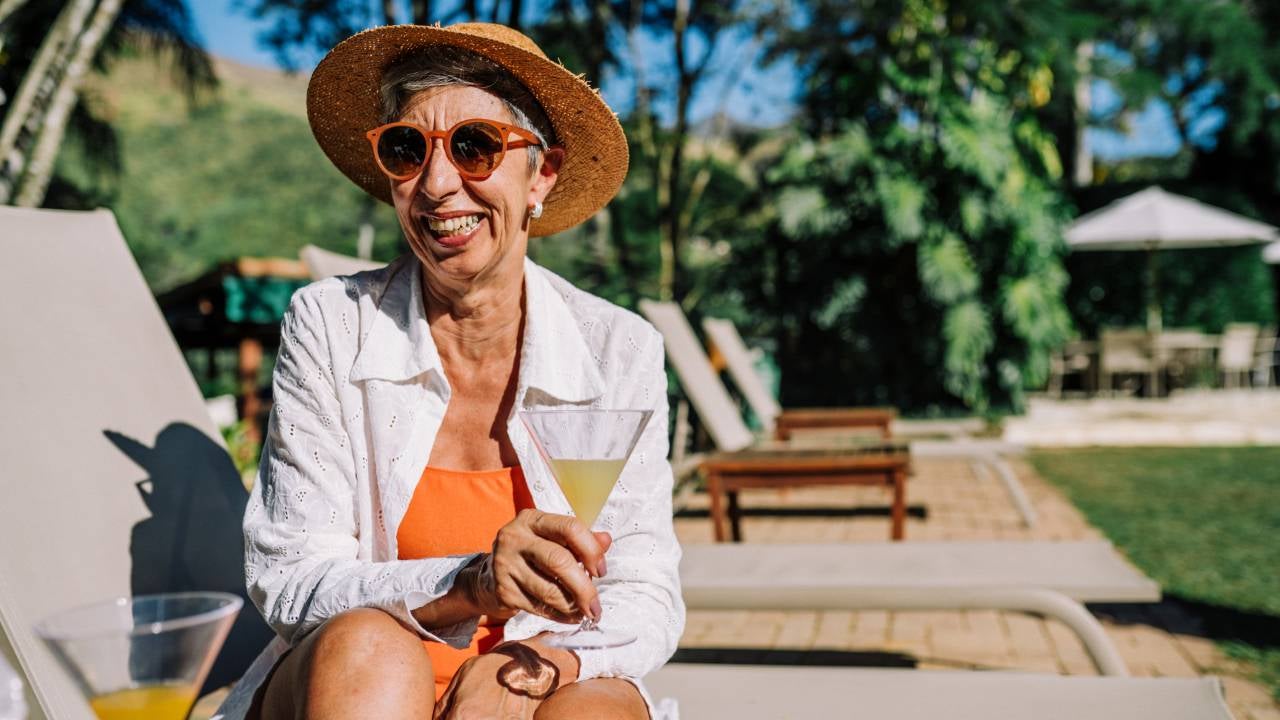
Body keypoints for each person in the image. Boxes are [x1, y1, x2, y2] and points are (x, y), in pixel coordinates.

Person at [220, 22, 684, 720]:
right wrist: (474, 583)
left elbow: (644, 589)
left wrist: (549, 661)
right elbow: (290, 580)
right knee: (375, 652)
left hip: (527, 679)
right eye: (408, 150)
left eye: (475, 147)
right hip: (354, 686)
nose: (438, 185)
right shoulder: (332, 325)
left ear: (542, 174)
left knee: (599, 712)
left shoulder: (618, 351)